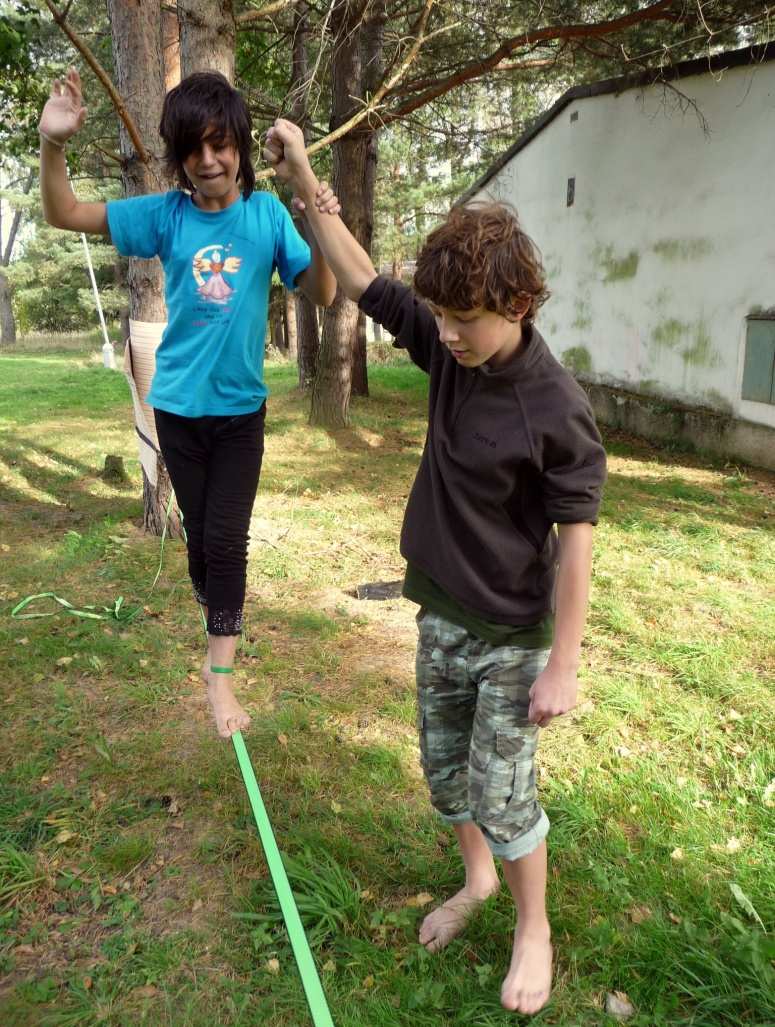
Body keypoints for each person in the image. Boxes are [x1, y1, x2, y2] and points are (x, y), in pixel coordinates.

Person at [263, 119, 607, 1016]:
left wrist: (563, 661)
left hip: (511, 634)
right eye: (442, 318)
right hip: (440, 612)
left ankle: (532, 926)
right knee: (446, 773)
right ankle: (478, 882)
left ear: (517, 306)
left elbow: (577, 544)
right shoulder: (450, 346)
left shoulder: (555, 409)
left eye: (466, 321)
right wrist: (304, 177)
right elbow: (364, 275)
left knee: (503, 787)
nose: (447, 336)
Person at [38, 70, 339, 739]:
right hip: (175, 408)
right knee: (202, 547)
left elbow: (320, 292)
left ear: (237, 146)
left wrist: (313, 214)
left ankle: (219, 674)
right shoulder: (164, 214)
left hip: (240, 414)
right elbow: (65, 214)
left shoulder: (264, 217)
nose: (209, 160)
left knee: (228, 539)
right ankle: (215, 605)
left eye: (220, 144)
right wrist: (52, 146)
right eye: (194, 149)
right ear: (178, 158)